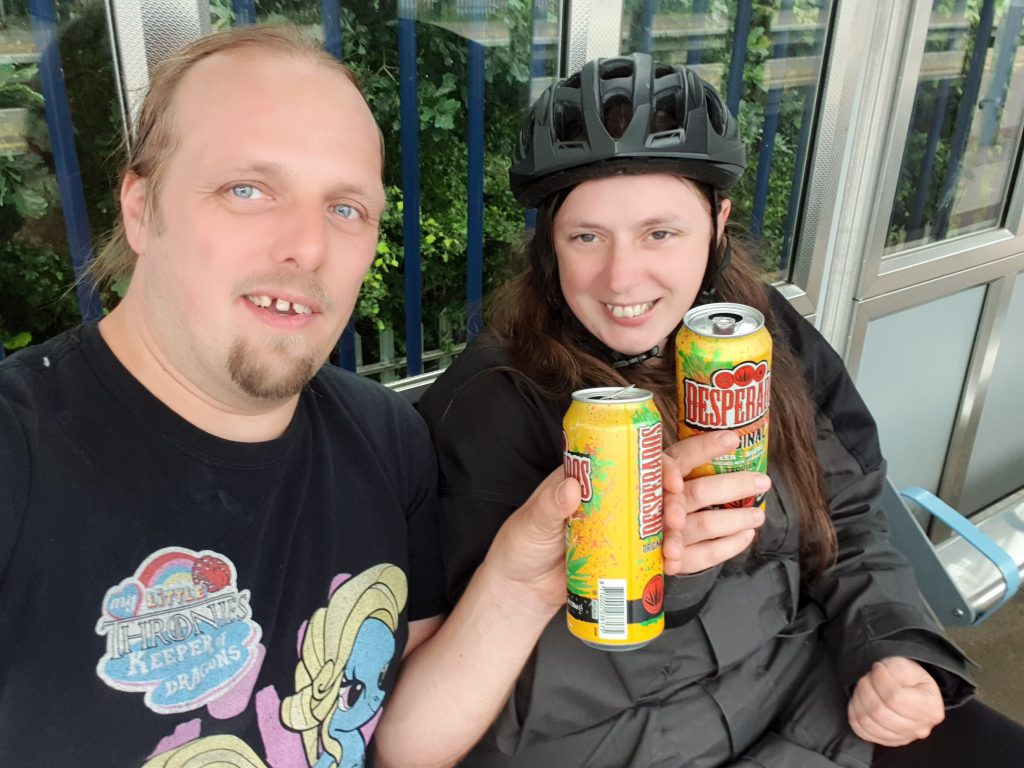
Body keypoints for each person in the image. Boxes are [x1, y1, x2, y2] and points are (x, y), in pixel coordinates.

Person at [0, 27, 692, 768]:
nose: (309, 247)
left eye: (346, 208)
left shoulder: (387, 438)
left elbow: (398, 741)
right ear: (140, 207)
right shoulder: (19, 453)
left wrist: (520, 582)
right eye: (247, 190)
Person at [418, 53, 1024, 767]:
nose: (622, 277)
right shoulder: (489, 407)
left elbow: (854, 517)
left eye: (660, 232)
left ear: (717, 222)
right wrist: (661, 574)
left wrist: (889, 648)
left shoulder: (768, 336)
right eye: (587, 236)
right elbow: (477, 698)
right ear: (549, 242)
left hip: (818, 709)